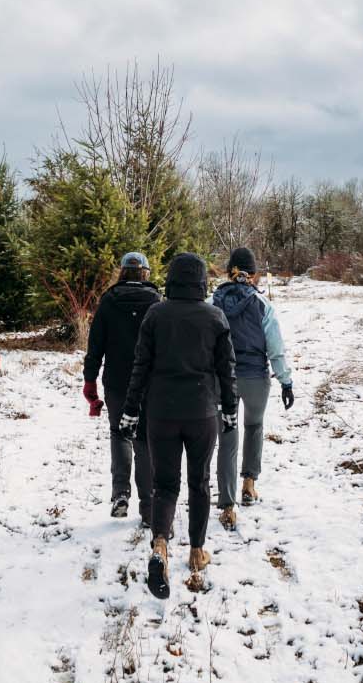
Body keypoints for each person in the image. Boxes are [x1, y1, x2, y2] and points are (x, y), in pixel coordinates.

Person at [120, 252, 237, 599]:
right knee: (199, 483)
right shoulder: (215, 317)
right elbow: (226, 370)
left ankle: (160, 547)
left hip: (161, 413)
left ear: (170, 279)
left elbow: (140, 366)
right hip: (202, 413)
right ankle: (197, 551)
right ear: (201, 281)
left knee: (165, 484)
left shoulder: (156, 314)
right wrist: (230, 409)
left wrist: (130, 410)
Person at [212, 246, 294, 531]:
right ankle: (249, 483)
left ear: (228, 272)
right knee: (255, 426)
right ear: (255, 275)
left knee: (227, 436)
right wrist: (285, 380)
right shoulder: (263, 305)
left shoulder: (215, 303)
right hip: (256, 377)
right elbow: (276, 348)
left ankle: (227, 503)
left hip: (224, 378)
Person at [82, 251, 162, 522]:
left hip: (116, 382)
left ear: (122, 272)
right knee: (144, 439)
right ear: (146, 273)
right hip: (149, 384)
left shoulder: (108, 301)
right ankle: (149, 507)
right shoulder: (156, 302)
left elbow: (95, 347)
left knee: (119, 434)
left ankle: (120, 493)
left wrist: (90, 380)